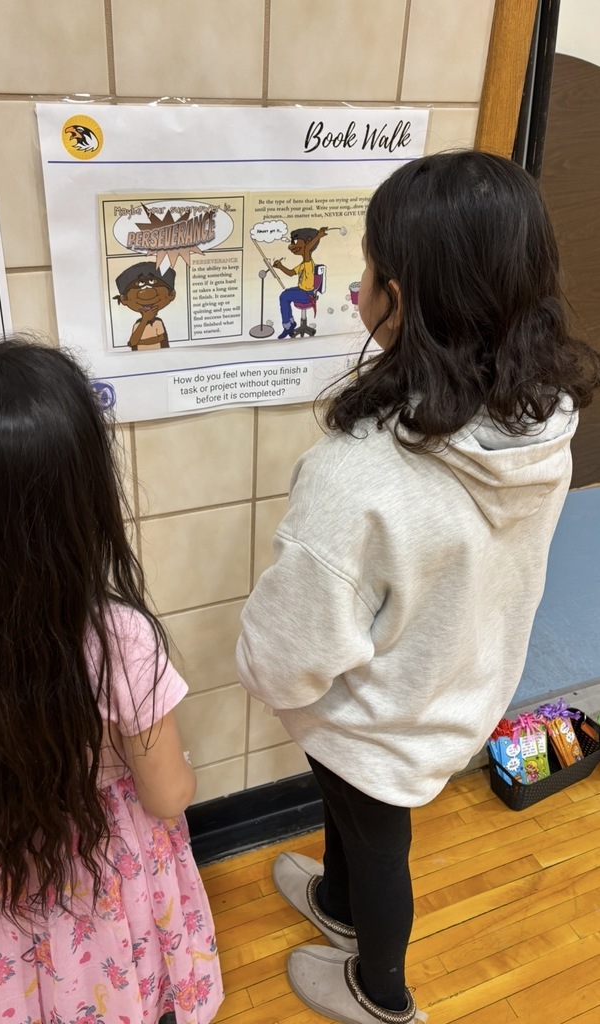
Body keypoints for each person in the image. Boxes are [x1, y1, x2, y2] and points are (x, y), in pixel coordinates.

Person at [236, 150, 600, 1024]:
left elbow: (288, 655)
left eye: (368, 264)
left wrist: (266, 668)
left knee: (378, 837)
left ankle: (381, 992)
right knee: (353, 821)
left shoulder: (357, 474)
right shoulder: (543, 419)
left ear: (395, 298)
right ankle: (337, 904)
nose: (357, 283)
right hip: (458, 683)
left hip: (381, 717)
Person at [0, 339, 223, 1024]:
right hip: (98, 866)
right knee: (84, 980)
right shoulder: (116, 640)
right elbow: (166, 794)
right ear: (77, 497)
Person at [273, 226, 327, 338]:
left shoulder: (308, 262)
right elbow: (291, 273)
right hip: (303, 291)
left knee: (284, 296)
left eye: (296, 242)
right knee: (285, 294)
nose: (292, 246)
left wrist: (318, 236)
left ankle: (288, 326)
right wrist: (280, 266)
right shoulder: (304, 264)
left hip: (307, 294)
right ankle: (291, 322)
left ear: (308, 242)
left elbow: (307, 249)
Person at [114, 262, 176, 350]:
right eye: (139, 284)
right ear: (124, 299)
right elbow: (132, 342)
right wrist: (145, 320)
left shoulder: (157, 323)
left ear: (171, 294)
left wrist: (140, 342)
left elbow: (160, 338)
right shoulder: (138, 324)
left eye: (153, 282)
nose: (147, 292)